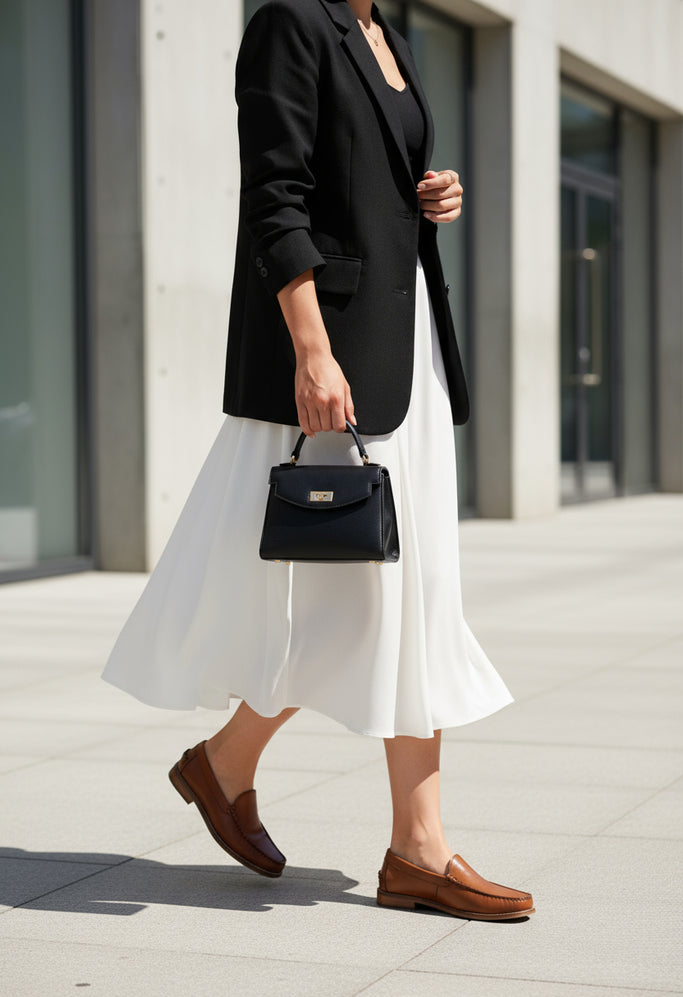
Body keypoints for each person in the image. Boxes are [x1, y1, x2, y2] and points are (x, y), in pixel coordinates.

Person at [103, 0, 534, 921]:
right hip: (337, 359)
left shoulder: (388, 37)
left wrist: (430, 194)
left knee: (405, 594)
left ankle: (250, 776)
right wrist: (311, 352)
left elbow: (367, 184)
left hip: (401, 350)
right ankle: (410, 847)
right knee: (372, 592)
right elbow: (275, 196)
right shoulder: (292, 22)